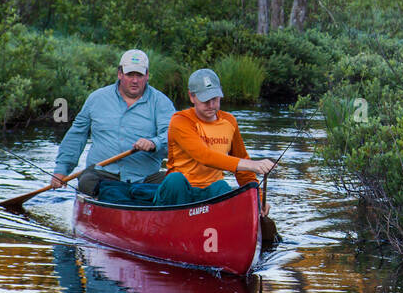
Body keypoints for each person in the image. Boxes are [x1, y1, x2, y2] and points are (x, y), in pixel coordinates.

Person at [102, 68, 275, 207]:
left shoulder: (230, 121)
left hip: (209, 192)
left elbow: (242, 164)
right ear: (191, 96)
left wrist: (259, 200)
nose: (211, 105)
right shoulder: (180, 121)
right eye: (205, 100)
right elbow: (204, 156)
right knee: (175, 180)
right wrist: (253, 165)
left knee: (222, 187)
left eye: (215, 99)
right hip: (179, 191)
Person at [50, 49, 175, 197]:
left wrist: (154, 143)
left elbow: (173, 137)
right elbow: (77, 136)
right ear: (120, 74)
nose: (135, 80)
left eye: (139, 75)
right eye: (130, 74)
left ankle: (137, 202)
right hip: (103, 174)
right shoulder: (96, 99)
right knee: (86, 181)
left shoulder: (161, 102)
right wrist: (61, 169)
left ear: (147, 76)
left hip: (146, 178)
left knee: (174, 182)